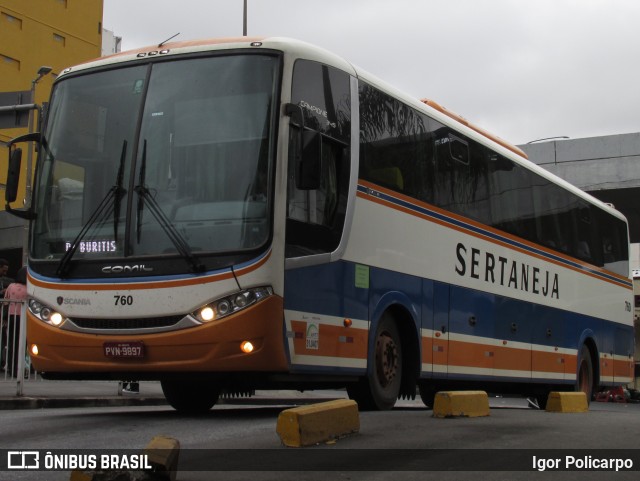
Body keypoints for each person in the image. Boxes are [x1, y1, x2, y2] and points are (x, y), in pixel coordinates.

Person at [4, 267, 27, 378]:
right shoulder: (28, 289)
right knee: (22, 344)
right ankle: (20, 369)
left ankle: (10, 368)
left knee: (11, 343)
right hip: (24, 318)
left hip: (11, 317)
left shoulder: (10, 286)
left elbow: (6, 302)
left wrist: (4, 318)